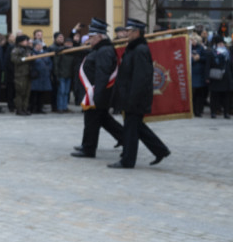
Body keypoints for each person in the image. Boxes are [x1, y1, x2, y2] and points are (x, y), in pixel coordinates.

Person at [109, 19, 171, 168]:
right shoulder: (133, 48)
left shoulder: (140, 50)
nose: (126, 34)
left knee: (131, 130)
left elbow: (141, 78)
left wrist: (132, 99)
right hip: (130, 96)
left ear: (136, 32)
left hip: (135, 98)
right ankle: (160, 150)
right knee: (137, 127)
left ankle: (128, 161)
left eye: (129, 31)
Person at [71, 18, 124, 159]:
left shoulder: (104, 51)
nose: (89, 40)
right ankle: (124, 137)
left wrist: (97, 94)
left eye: (92, 37)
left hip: (98, 92)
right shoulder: (100, 48)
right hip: (96, 92)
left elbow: (102, 74)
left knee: (92, 121)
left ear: (100, 36)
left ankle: (88, 149)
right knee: (103, 120)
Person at [207, 38, 231, 118]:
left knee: (226, 97)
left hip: (225, 77)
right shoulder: (212, 53)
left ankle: (226, 113)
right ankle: (213, 112)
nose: (222, 45)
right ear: (216, 45)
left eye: (222, 44)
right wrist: (207, 77)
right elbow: (208, 65)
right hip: (215, 77)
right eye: (220, 44)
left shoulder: (228, 53)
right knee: (214, 96)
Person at [29, 39, 54, 114]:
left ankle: (40, 108)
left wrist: (48, 69)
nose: (40, 46)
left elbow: (50, 63)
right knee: (34, 93)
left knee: (42, 93)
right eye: (38, 45)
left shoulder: (46, 53)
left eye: (41, 44)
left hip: (44, 76)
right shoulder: (32, 53)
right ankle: (33, 108)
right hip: (36, 76)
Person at [10, 34, 33, 116]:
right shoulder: (16, 50)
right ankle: (19, 109)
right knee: (20, 92)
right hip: (20, 75)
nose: (26, 42)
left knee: (27, 93)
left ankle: (25, 108)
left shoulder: (27, 50)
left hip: (28, 74)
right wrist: (25, 59)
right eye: (25, 41)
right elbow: (14, 60)